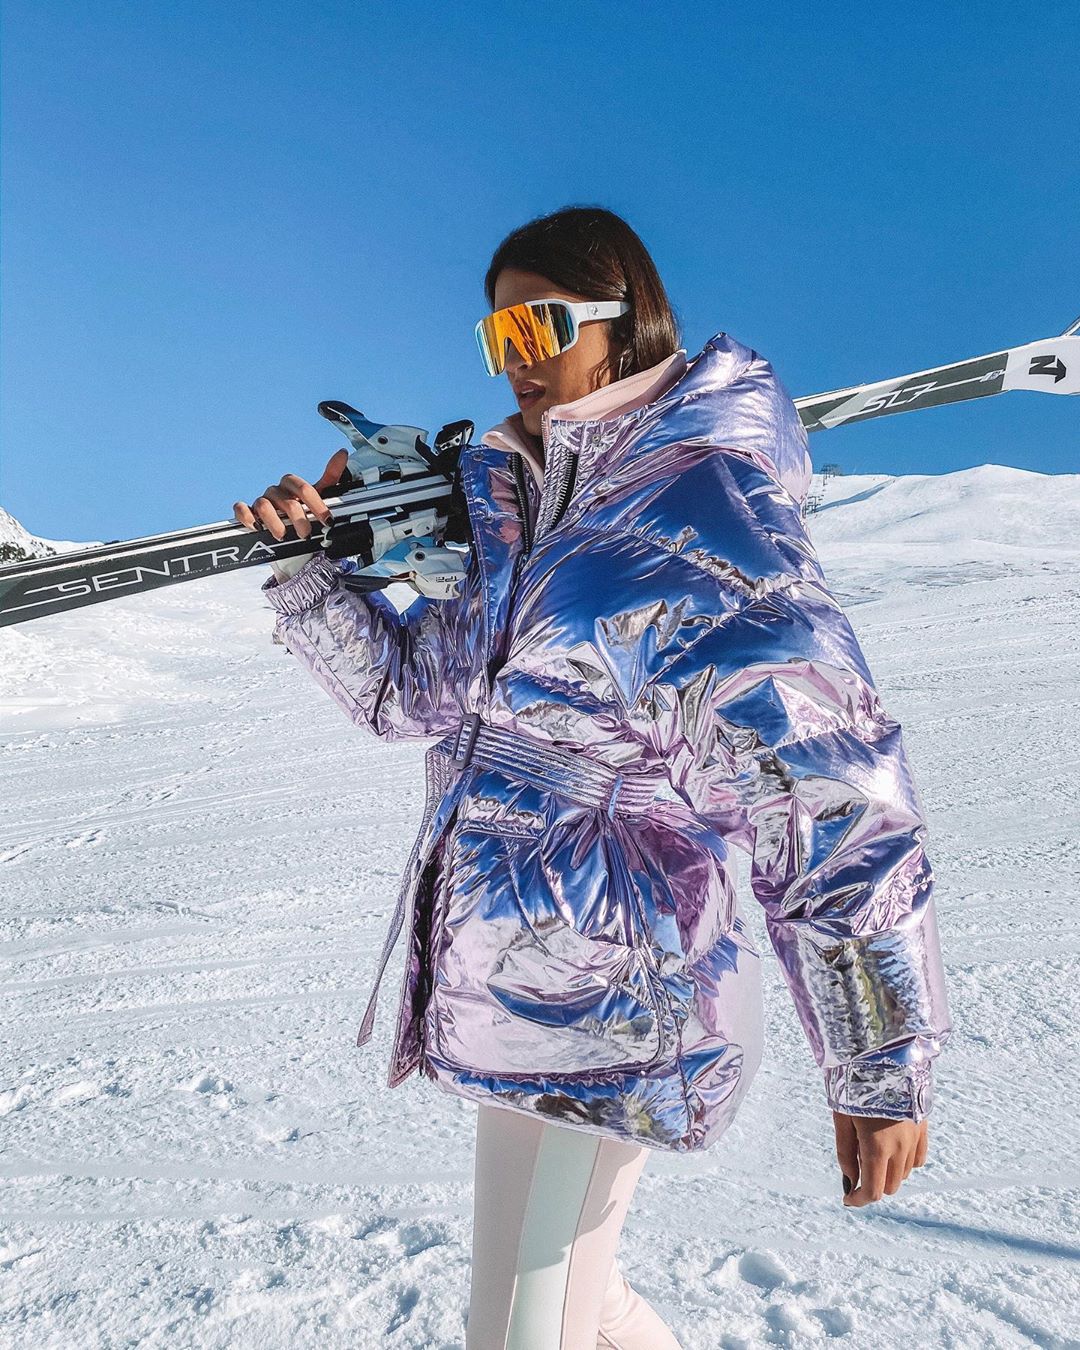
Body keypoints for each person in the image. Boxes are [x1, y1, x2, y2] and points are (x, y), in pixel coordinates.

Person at [232, 205, 952, 1349]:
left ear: (625, 317)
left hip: (622, 998)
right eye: (495, 338)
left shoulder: (693, 507)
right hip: (525, 995)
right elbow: (415, 698)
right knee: (588, 1309)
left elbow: (826, 793)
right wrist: (313, 579)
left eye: (539, 325)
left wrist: (877, 1060)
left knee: (525, 1332)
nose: (516, 360)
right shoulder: (517, 507)